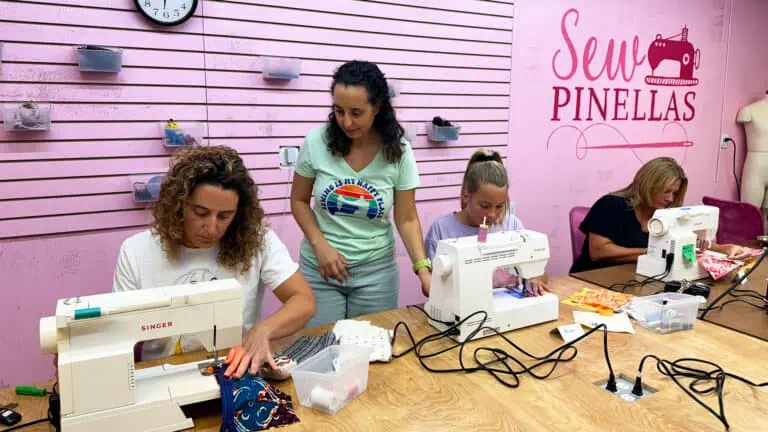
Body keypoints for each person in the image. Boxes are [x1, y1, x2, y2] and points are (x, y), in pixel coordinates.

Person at [113, 146, 316, 379]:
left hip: (234, 370)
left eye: (224, 216)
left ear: (239, 213)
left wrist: (264, 331)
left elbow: (304, 301)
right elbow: (119, 332)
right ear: (180, 204)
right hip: (161, 374)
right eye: (200, 212)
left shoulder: (257, 240)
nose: (211, 228)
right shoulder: (136, 251)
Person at [290, 60, 430, 326]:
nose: (346, 121)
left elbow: (407, 217)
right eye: (339, 111)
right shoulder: (316, 142)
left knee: (371, 353)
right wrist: (320, 245)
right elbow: (298, 200)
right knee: (320, 350)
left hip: (375, 273)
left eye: (356, 112)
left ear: (377, 108)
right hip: (321, 269)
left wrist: (423, 269)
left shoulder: (398, 151)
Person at [570, 156, 750, 273]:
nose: (671, 198)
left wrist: (725, 249)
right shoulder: (611, 205)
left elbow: (690, 242)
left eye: (675, 193)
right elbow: (598, 252)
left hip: (635, 277)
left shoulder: (666, 213)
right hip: (593, 278)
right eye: (666, 192)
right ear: (648, 185)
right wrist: (655, 251)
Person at [424, 149, 549, 296]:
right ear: (465, 196)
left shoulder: (512, 225)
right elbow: (428, 288)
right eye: (485, 206)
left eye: (500, 206)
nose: (492, 214)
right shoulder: (442, 230)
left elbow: (540, 274)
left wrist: (535, 278)